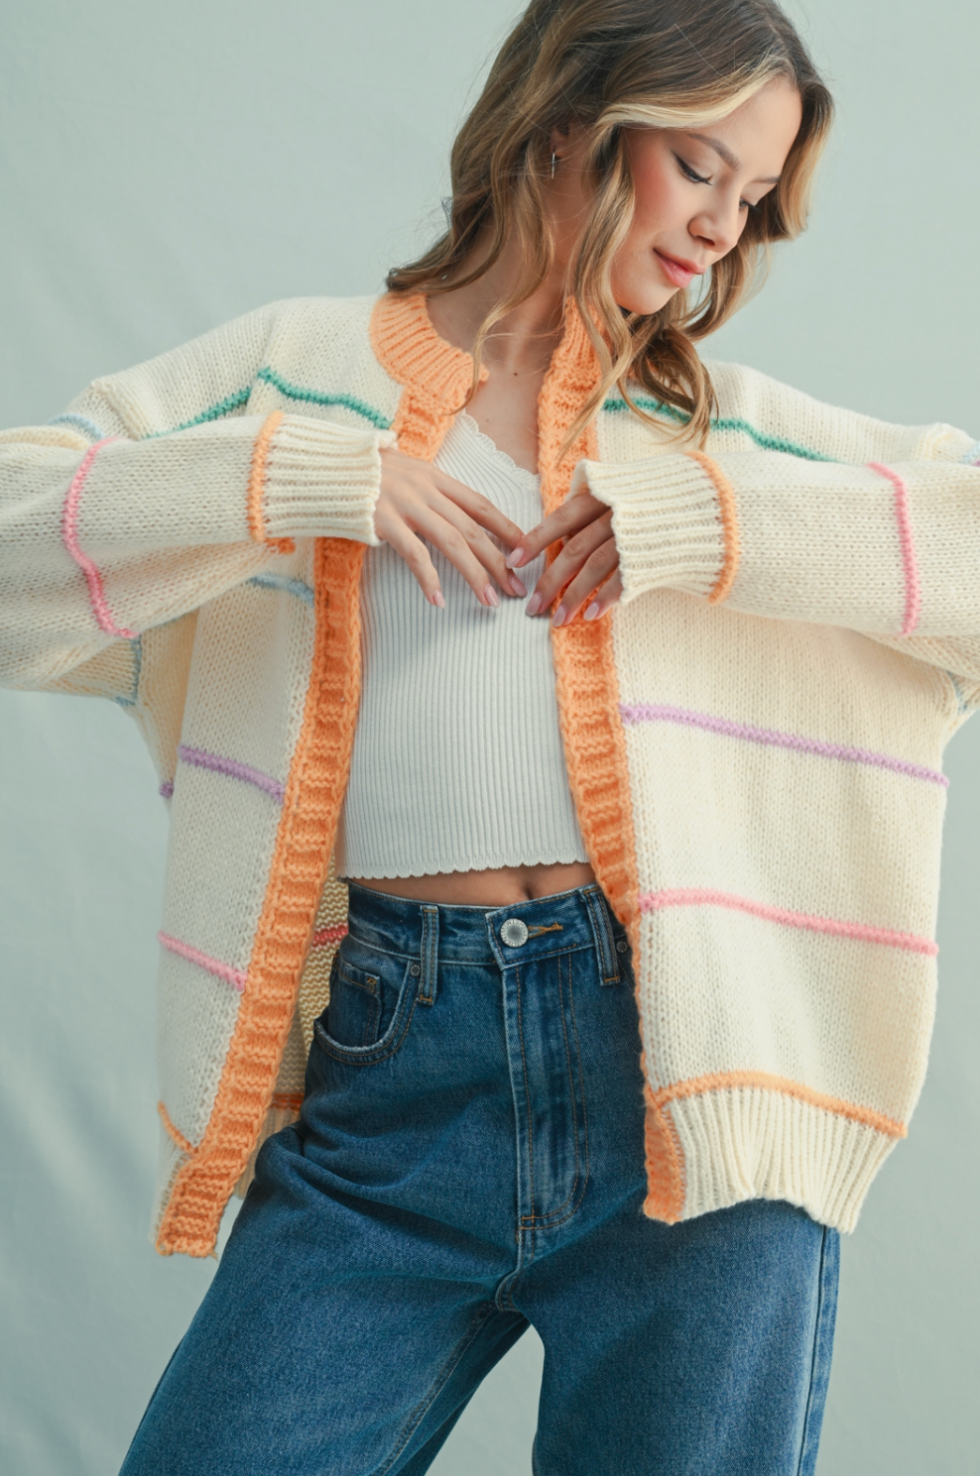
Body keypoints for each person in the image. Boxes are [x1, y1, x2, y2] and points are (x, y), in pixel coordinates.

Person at [2, 0, 978, 1470]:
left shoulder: (719, 438)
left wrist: (716, 527)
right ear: (572, 120)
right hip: (384, 1092)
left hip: (686, 1103)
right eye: (700, 166)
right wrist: (296, 481)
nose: (724, 227)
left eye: (756, 195)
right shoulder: (293, 377)